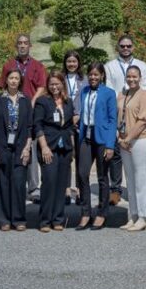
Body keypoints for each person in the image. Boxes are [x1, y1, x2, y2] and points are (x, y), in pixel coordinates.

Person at [103, 35, 146, 206]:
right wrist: (121, 97)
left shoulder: (142, 66)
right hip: (117, 112)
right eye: (123, 46)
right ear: (118, 47)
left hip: (135, 112)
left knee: (138, 169)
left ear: (133, 47)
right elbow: (108, 87)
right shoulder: (109, 66)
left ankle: (141, 203)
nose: (126, 48)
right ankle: (115, 190)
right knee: (116, 156)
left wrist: (132, 92)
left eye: (128, 46)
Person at [0, 34, 47, 203]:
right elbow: (2, 86)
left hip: (30, 112)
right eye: (20, 43)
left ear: (30, 45)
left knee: (30, 147)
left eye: (26, 43)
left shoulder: (37, 66)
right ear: (16, 46)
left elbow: (42, 87)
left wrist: (32, 101)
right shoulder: (9, 65)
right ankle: (14, 185)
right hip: (11, 112)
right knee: (11, 147)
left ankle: (33, 187)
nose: (23, 45)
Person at [0, 68, 34, 231]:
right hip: (2, 146)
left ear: (20, 81)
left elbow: (30, 127)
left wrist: (27, 148)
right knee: (3, 183)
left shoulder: (26, 100)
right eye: (11, 78)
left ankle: (19, 219)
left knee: (19, 183)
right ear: (6, 80)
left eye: (16, 78)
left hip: (21, 147)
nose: (14, 81)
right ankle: (4, 219)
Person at [76, 62, 117, 231]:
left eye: (96, 74)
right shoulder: (84, 91)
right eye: (91, 74)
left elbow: (112, 120)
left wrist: (110, 145)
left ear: (102, 76)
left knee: (102, 177)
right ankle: (86, 212)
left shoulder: (109, 93)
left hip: (102, 138)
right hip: (86, 137)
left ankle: (102, 212)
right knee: (82, 174)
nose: (93, 77)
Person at [34, 70, 77, 232]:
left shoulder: (68, 102)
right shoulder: (42, 101)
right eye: (51, 84)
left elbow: (70, 126)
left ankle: (58, 219)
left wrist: (72, 147)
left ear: (62, 84)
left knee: (61, 184)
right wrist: (44, 146)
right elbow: (37, 125)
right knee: (49, 182)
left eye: (57, 84)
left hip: (65, 147)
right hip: (48, 147)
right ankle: (45, 220)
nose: (54, 87)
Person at [116, 64, 146, 232]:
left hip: (140, 141)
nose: (131, 79)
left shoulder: (144, 95)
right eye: (129, 76)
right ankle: (133, 215)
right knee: (130, 179)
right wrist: (120, 138)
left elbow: (143, 121)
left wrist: (128, 139)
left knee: (141, 179)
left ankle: (144, 217)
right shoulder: (122, 94)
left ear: (140, 78)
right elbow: (118, 118)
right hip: (124, 141)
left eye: (134, 76)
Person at [63, 50, 86, 206]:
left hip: (80, 123)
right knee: (66, 157)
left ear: (78, 63)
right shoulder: (61, 78)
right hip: (64, 123)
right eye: (69, 61)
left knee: (80, 158)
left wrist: (79, 115)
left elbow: (89, 99)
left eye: (74, 61)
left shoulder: (85, 80)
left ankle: (79, 190)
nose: (71, 64)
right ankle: (65, 190)